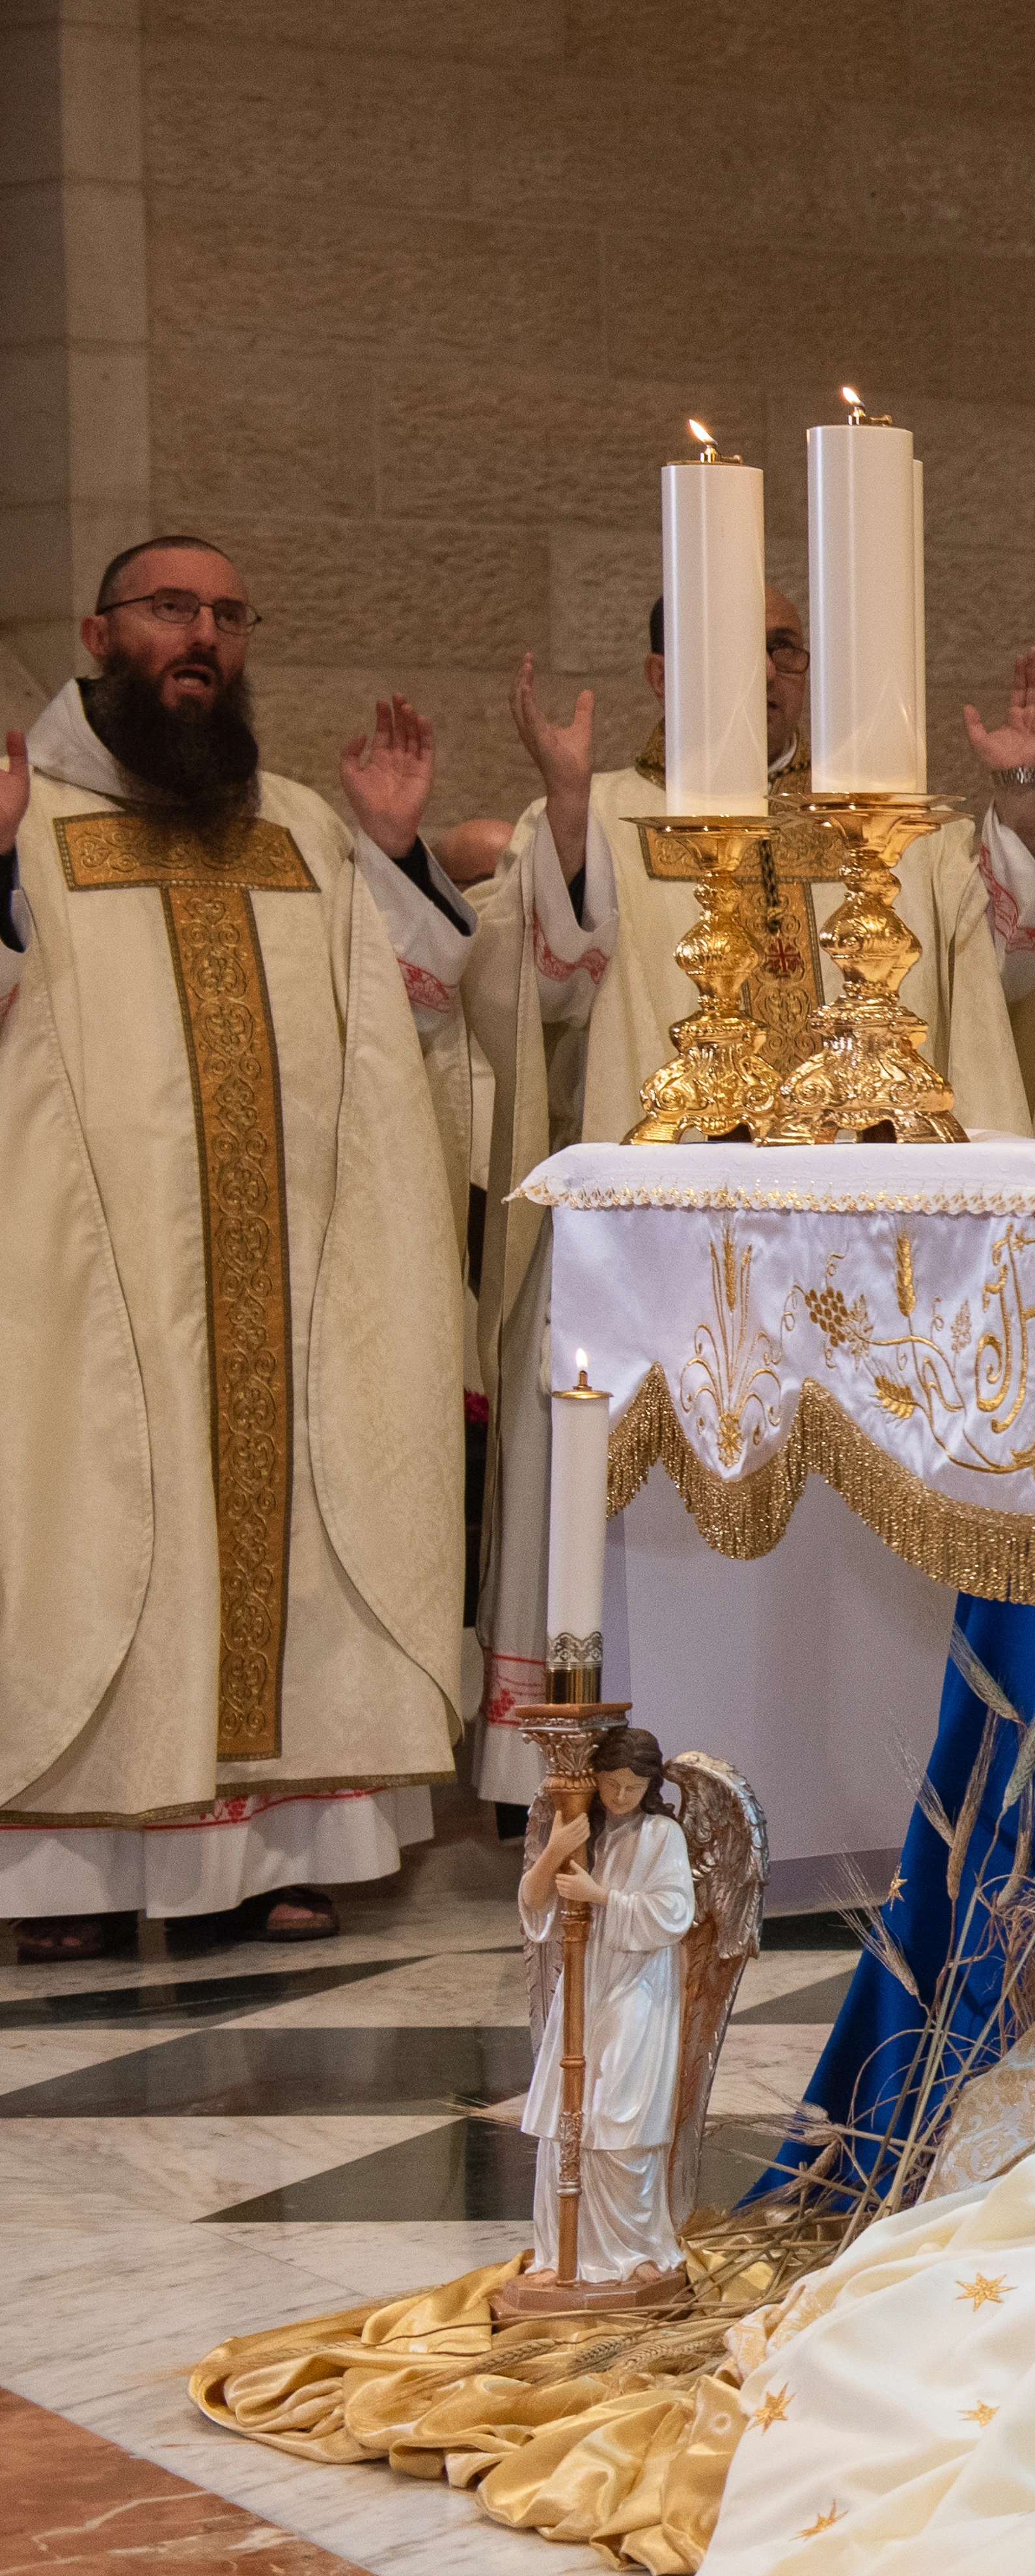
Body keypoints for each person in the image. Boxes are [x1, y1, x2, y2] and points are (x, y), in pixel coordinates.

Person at [0, 538, 468, 1958]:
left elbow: (423, 1019)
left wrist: (391, 857)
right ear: (98, 631)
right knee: (86, 1524)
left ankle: (274, 1851)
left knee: (297, 1527)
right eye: (168, 610)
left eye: (224, 615)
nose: (199, 636)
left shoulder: (302, 830)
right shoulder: (27, 816)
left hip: (292, 1271)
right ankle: (68, 1871)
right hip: (90, 1280)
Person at [508, 592, 1035, 1145]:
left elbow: (1011, 964)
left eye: (783, 648)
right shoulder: (600, 820)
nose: (765, 673)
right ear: (662, 677)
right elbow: (547, 991)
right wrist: (565, 803)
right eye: (736, 645)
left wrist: (1019, 791)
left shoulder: (883, 827)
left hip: (868, 1186)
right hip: (684, 1188)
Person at [516, 1726, 697, 2292]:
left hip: (638, 1984)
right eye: (611, 1785)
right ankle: (558, 2249)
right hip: (586, 1981)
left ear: (651, 1785)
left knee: (623, 2113)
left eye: (633, 1787)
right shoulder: (578, 1827)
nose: (620, 1797)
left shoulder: (661, 1834)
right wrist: (553, 1851)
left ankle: (637, 2246)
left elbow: (673, 1914)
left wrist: (601, 1898)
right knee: (565, 2115)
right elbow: (534, 1907)